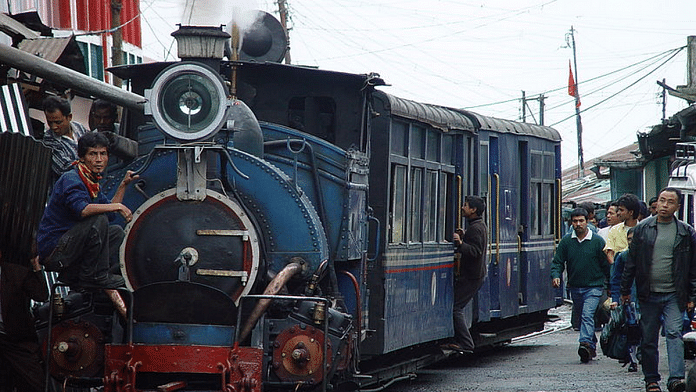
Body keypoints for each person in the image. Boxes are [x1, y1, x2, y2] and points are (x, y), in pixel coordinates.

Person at [37, 132, 138, 289]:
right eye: (93, 154)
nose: (99, 160)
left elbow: (110, 214)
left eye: (103, 154)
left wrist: (123, 185)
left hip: (71, 246)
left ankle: (76, 274)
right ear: (82, 157)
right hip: (55, 250)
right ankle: (95, 276)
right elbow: (82, 210)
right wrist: (118, 206)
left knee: (116, 232)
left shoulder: (91, 181)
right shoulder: (72, 179)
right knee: (98, 220)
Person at [621, 188, 696, 392]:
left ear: (677, 207)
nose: (664, 205)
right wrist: (625, 290)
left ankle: (676, 379)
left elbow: (692, 267)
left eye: (670, 202)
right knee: (649, 337)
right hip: (648, 293)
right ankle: (651, 380)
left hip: (674, 293)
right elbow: (632, 262)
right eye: (662, 200)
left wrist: (692, 296)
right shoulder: (642, 229)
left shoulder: (685, 232)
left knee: (674, 333)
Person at [551, 208, 610, 363]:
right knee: (583, 317)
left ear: (587, 221)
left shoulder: (597, 241)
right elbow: (558, 262)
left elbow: (606, 266)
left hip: (594, 287)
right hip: (575, 287)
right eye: (575, 221)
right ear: (571, 223)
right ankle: (590, 345)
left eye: (581, 221)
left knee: (587, 314)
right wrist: (556, 276)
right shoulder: (566, 241)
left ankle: (584, 342)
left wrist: (611, 287)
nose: (578, 224)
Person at [443, 195, 488, 354]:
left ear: (473, 210)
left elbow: (475, 251)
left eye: (465, 205)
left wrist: (461, 243)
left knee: (456, 308)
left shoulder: (476, 228)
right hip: (475, 275)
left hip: (472, 275)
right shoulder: (477, 225)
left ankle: (466, 343)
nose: (462, 207)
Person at [0, 250, 49, 392]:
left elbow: (41, 295)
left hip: (15, 339)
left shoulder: (16, 273)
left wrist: (36, 267)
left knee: (35, 383)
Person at [609, 227, 639, 372]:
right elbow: (615, 280)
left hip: (645, 299)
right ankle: (633, 359)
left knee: (646, 329)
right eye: (629, 239)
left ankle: (642, 354)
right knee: (630, 329)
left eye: (634, 238)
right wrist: (615, 298)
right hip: (628, 300)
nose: (631, 242)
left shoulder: (650, 257)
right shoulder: (623, 257)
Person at [42, 96, 90, 180]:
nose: (53, 127)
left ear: (69, 117)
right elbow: (65, 168)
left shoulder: (79, 127)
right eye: (50, 122)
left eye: (58, 122)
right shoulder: (49, 141)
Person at [604, 193, 641, 264]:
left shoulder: (644, 229)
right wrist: (616, 267)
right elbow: (609, 253)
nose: (618, 213)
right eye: (618, 210)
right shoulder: (614, 230)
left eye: (621, 210)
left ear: (631, 212)